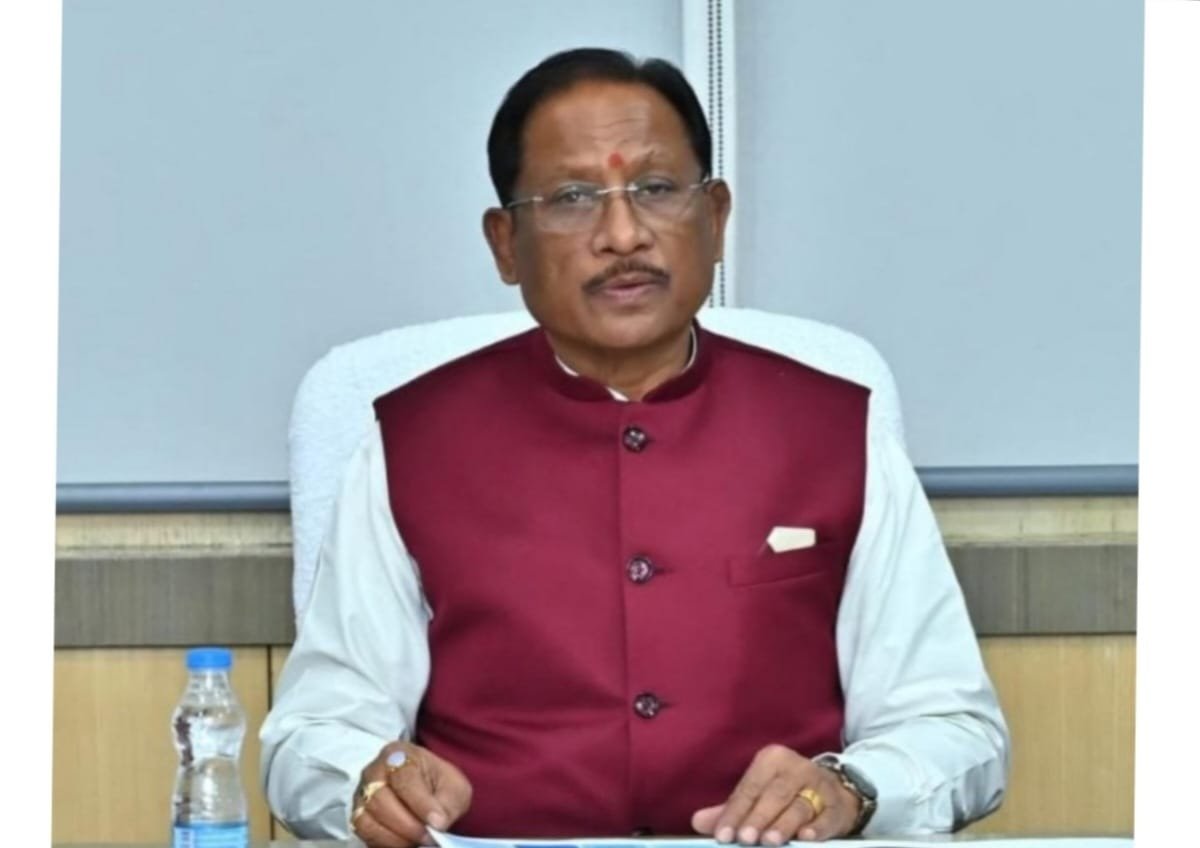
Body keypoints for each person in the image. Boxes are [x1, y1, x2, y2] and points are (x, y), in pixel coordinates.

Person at [260, 48, 1009, 847]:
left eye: (656, 189)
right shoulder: (413, 441)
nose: (623, 235)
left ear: (715, 219)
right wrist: (371, 779)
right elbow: (314, 733)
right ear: (505, 244)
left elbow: (953, 728)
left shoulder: (834, 430)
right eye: (572, 198)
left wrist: (852, 787)